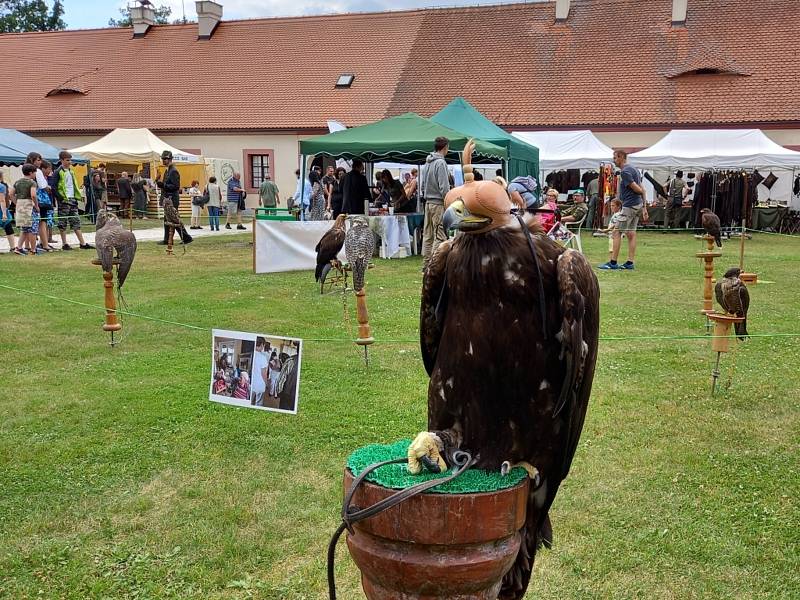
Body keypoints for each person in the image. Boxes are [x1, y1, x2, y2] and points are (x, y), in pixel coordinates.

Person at [599, 150, 648, 270]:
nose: (613, 160)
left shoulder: (625, 172)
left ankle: (613, 262)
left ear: (621, 157)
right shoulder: (634, 169)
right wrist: (644, 207)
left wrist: (640, 197)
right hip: (637, 205)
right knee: (631, 234)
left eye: (615, 158)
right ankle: (630, 263)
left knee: (616, 232)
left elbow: (639, 189)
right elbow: (643, 189)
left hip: (629, 206)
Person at [53, 151, 92, 250]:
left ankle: (82, 243)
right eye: (67, 160)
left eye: (70, 160)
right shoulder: (58, 172)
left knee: (76, 221)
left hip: (73, 199)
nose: (69, 162)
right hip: (64, 200)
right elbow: (54, 187)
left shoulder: (71, 172)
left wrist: (76, 196)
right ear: (61, 160)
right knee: (63, 222)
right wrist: (60, 198)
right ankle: (64, 243)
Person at [421, 136, 451, 270]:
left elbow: (422, 185)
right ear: (445, 147)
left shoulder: (427, 162)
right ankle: (434, 266)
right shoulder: (441, 163)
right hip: (438, 203)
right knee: (439, 235)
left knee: (428, 236)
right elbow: (444, 187)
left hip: (427, 203)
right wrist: (448, 200)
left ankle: (426, 264)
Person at [156, 150, 181, 244]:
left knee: (173, 220)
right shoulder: (168, 170)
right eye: (162, 159)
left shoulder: (173, 171)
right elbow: (166, 185)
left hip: (172, 199)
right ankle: (168, 239)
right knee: (169, 220)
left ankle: (183, 237)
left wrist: (163, 185)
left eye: (165, 159)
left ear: (170, 159)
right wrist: (161, 184)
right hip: (168, 199)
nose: (163, 160)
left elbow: (176, 186)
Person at [12, 164, 38, 255]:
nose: (35, 174)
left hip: (20, 204)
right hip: (29, 206)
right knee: (32, 229)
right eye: (35, 172)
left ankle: (18, 248)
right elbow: (33, 195)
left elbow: (11, 194)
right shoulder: (32, 182)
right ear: (31, 172)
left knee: (24, 228)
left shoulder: (17, 182)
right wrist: (37, 206)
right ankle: (33, 249)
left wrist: (16, 203)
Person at [597, 198, 624, 263]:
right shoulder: (615, 214)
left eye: (613, 206)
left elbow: (615, 225)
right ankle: (611, 260)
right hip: (611, 235)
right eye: (611, 205)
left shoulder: (617, 215)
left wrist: (606, 230)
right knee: (611, 249)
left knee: (612, 249)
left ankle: (612, 261)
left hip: (614, 235)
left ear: (619, 206)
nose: (611, 207)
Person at [250, 337, 269, 406]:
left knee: (250, 401)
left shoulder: (251, 354)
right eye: (263, 345)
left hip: (252, 383)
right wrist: (267, 383)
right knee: (258, 403)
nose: (263, 347)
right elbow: (263, 373)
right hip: (260, 385)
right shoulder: (262, 357)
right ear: (261, 345)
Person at [0, 172, 16, 252]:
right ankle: (13, 247)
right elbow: (2, 200)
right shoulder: (1, 186)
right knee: (8, 227)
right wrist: (4, 213)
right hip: (1, 210)